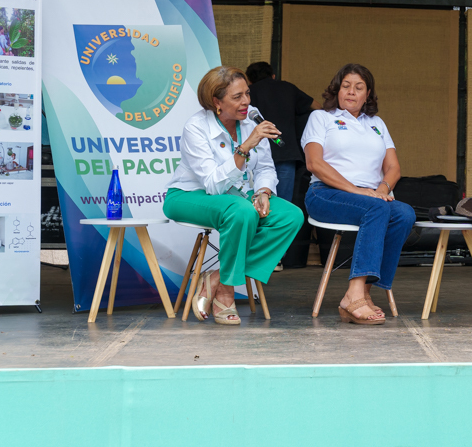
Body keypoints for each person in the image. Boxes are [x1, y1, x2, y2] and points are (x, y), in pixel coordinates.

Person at [164, 66, 304, 325]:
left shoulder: (251, 124)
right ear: (216, 102)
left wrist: (263, 191)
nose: (247, 102)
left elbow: (265, 168)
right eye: (237, 97)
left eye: (247, 94)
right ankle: (225, 295)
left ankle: (215, 277)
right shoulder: (196, 127)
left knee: (291, 216)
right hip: (189, 195)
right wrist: (246, 145)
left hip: (238, 196)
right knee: (241, 211)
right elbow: (212, 184)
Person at [303, 63, 415, 325]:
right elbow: (314, 163)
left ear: (368, 95)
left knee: (404, 214)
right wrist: (359, 191)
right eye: (346, 86)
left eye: (359, 87)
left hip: (370, 197)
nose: (351, 92)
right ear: (337, 89)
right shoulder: (321, 118)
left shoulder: (376, 124)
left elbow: (393, 167)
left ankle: (364, 293)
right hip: (325, 193)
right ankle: (352, 295)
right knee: (376, 208)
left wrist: (381, 190)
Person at [246, 61, 322, 266]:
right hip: (285, 151)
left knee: (256, 204)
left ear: (249, 80)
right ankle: (277, 258)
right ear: (272, 75)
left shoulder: (248, 93)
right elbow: (318, 108)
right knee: (281, 206)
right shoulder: (288, 88)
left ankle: (256, 254)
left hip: (255, 152)